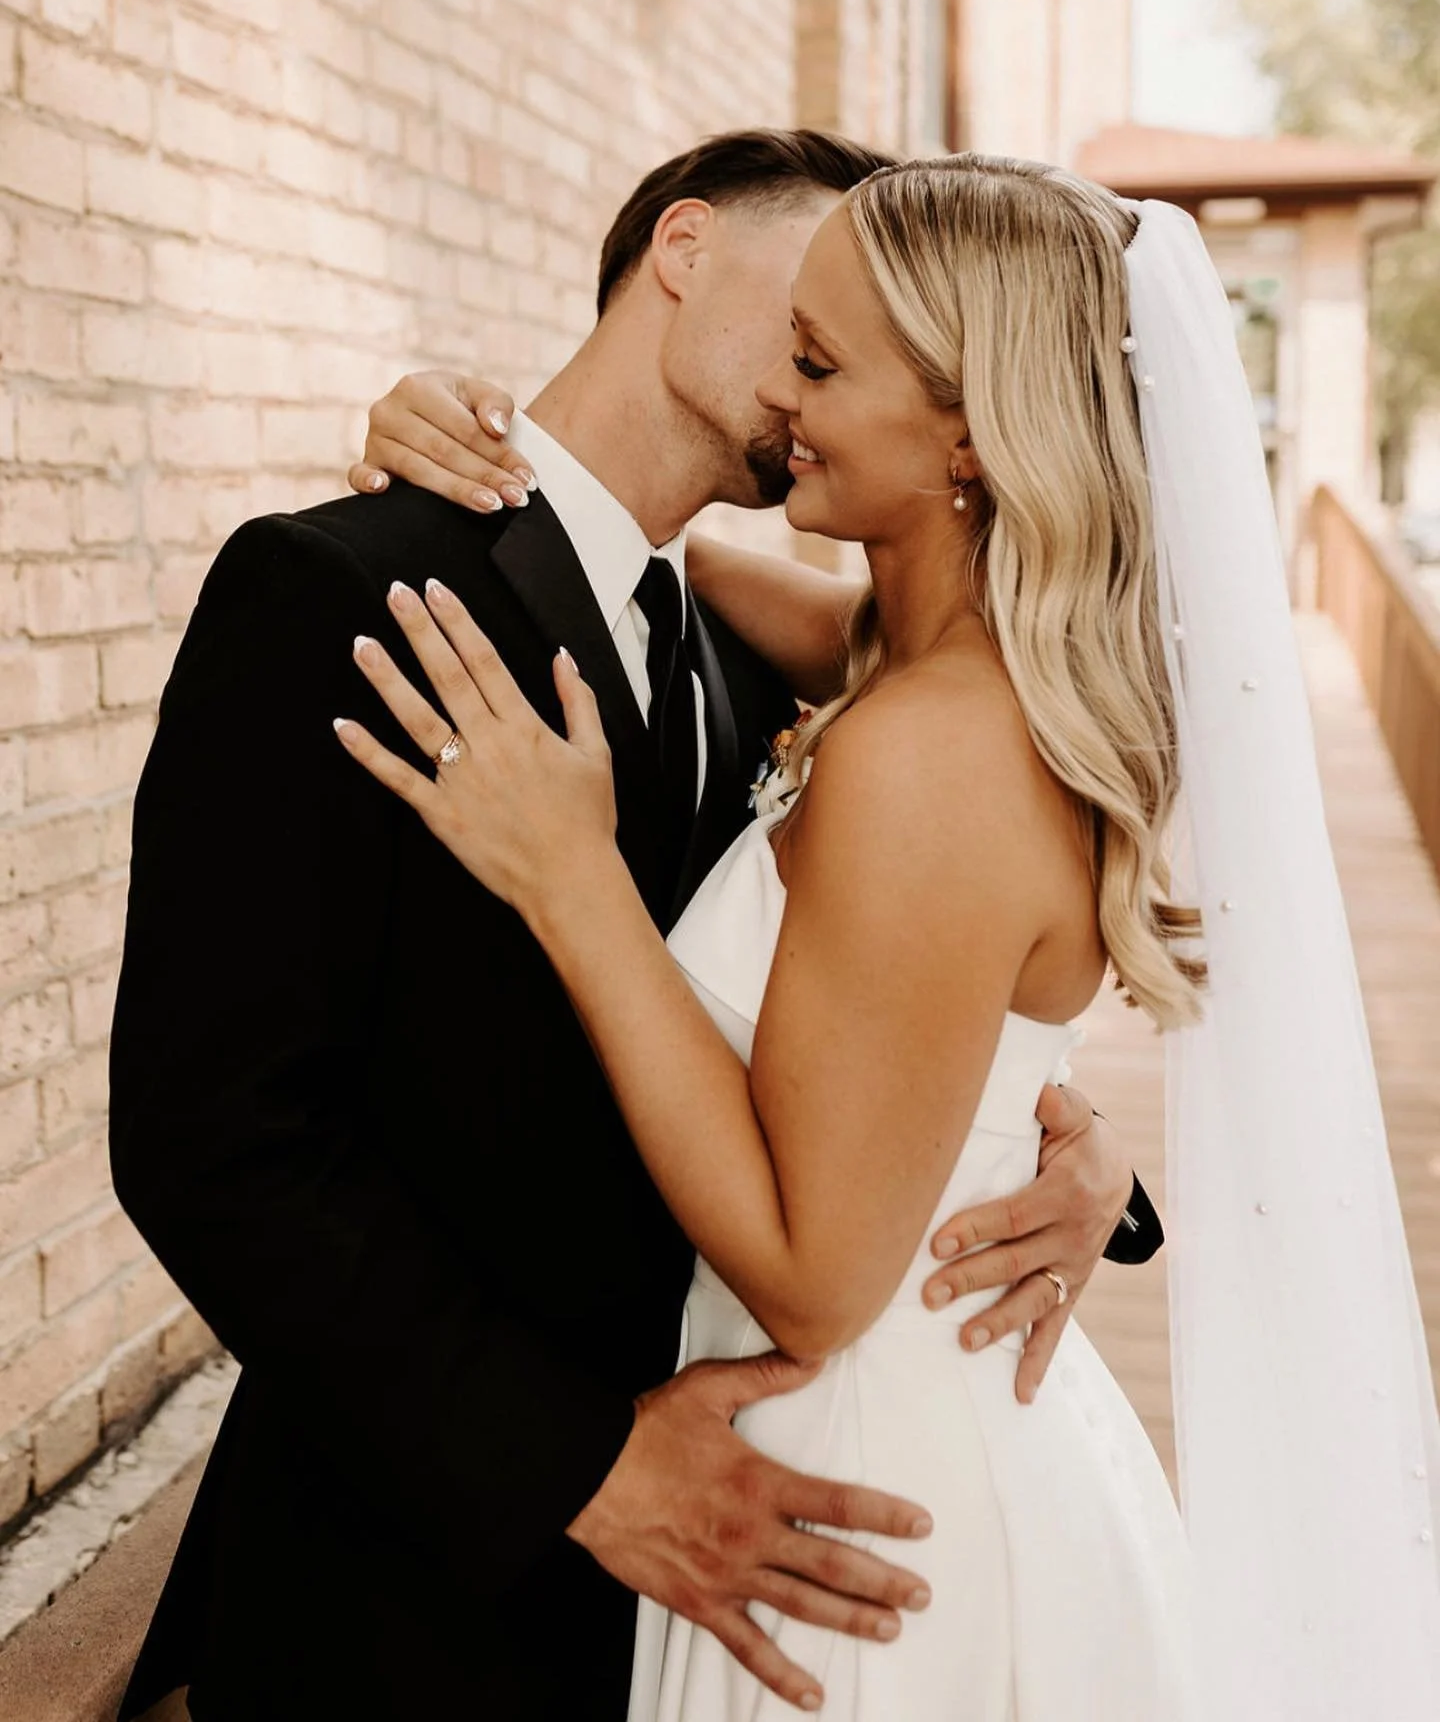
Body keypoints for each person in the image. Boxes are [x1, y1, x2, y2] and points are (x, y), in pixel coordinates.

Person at [344, 152, 1440, 1720]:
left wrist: (572, 882)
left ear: (972, 430)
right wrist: (487, 449)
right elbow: (656, 574)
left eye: (823, 362)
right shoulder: (894, 663)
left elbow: (813, 1277)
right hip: (895, 1442)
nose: (785, 401)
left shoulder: (926, 749)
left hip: (855, 1477)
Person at [107, 132, 1148, 1722]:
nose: (806, 381)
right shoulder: (340, 594)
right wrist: (578, 1474)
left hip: (772, 1565)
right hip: (422, 1594)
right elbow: (212, 1138)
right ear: (681, 249)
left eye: (839, 343)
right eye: (801, 322)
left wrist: (1083, 1173)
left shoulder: (768, 663)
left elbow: (909, 1002)